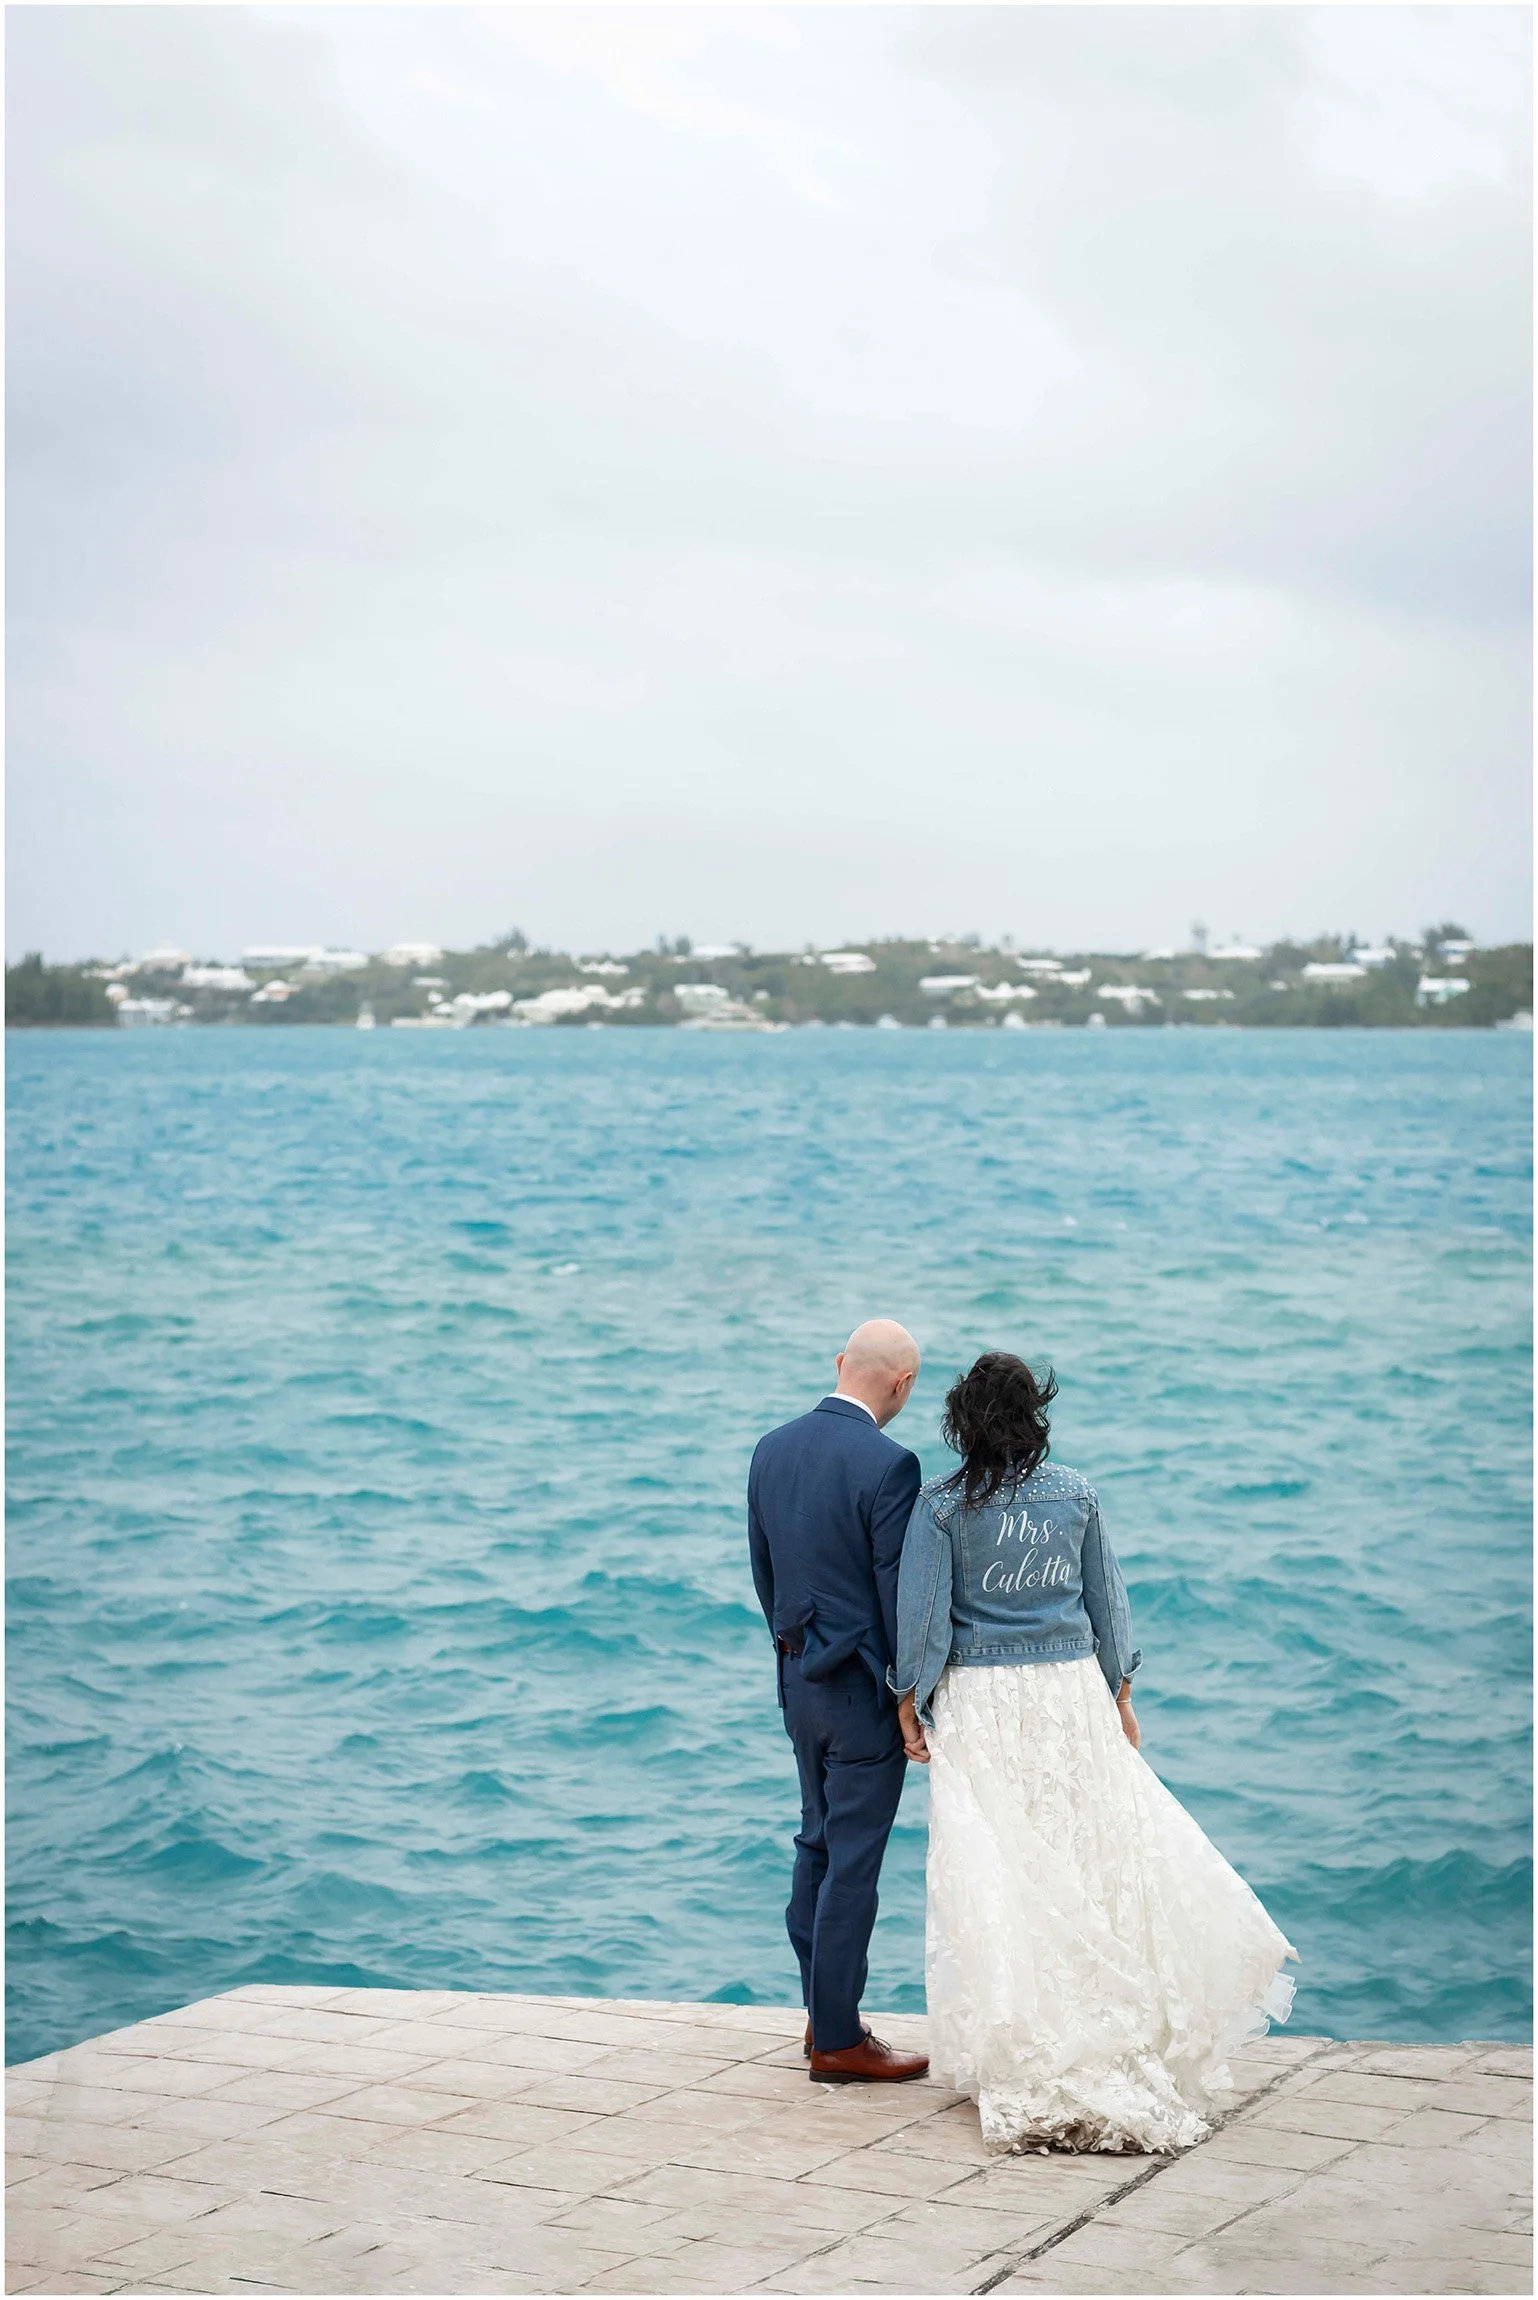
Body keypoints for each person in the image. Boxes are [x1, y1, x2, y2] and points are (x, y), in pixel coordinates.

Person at [892, 1351, 1297, 2153]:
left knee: (1003, 1871)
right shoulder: (1075, 1494)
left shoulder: (941, 1509)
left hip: (985, 1701)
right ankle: (1113, 2028)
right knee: (1086, 1854)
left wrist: (908, 1701)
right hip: (1071, 1692)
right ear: (1035, 1417)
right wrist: (1120, 1693)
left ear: (960, 1424)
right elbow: (1108, 1603)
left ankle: (1030, 2033)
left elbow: (929, 1623)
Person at [747, 1320, 931, 2084]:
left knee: (815, 1845)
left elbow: (764, 1570)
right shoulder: (890, 1465)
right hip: (860, 1690)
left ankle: (824, 2020)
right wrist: (907, 1698)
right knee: (852, 1861)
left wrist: (793, 1654)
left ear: (838, 1364)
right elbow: (896, 1596)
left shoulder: (771, 1448)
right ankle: (837, 2042)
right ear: (902, 1385)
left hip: (798, 1679)